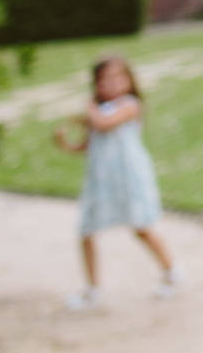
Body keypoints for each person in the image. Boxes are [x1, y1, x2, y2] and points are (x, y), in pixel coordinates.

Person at [52, 55, 180, 309]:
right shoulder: (97, 112)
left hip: (128, 179)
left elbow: (104, 123)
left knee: (141, 227)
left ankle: (171, 271)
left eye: (118, 77)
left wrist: (88, 107)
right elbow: (89, 145)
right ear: (97, 83)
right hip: (102, 182)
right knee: (86, 231)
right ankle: (92, 289)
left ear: (129, 80)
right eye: (105, 79)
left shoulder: (130, 105)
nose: (112, 83)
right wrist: (64, 144)